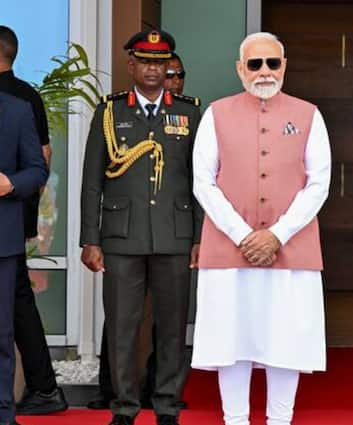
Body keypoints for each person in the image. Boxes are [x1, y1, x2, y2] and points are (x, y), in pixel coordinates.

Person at [190, 32, 330, 425]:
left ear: (284, 66)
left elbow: (319, 183)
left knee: (286, 342)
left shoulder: (309, 115)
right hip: (228, 249)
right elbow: (203, 181)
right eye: (255, 64)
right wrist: (242, 235)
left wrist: (277, 235)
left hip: (291, 249)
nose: (264, 71)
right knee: (231, 342)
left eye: (273, 63)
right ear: (240, 69)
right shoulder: (216, 114)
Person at [79, 29, 201, 425]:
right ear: (131, 65)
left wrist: (200, 238)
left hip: (174, 234)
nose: (153, 69)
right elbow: (92, 181)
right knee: (122, 326)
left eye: (160, 62)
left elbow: (201, 181)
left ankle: (166, 404)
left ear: (169, 68)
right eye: (145, 61)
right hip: (121, 236)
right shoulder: (110, 111)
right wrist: (90, 238)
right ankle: (124, 406)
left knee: (172, 325)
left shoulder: (189, 112)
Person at [0, 25, 67, 415]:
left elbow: (39, 161)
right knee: (18, 303)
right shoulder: (28, 94)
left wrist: (16, 193)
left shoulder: (20, 102)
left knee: (12, 311)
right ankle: (43, 387)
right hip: (16, 217)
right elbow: (45, 156)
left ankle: (40, 389)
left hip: (8, 219)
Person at [0, 91, 49, 425]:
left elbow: (37, 170)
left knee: (2, 334)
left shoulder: (17, 111)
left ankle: (4, 414)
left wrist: (11, 184)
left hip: (2, 242)